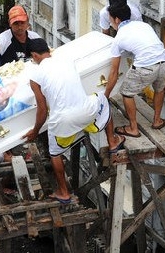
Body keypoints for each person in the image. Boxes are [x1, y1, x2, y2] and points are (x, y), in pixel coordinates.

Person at [24, 38, 110, 203]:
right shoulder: (66, 60)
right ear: (48, 50)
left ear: (34, 56)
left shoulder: (35, 76)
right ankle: (113, 142)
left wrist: (35, 132)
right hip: (86, 112)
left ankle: (64, 192)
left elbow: (42, 111)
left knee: (55, 153)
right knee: (103, 98)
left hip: (62, 121)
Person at [103, 4, 165, 152]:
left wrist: (105, 95)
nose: (110, 23)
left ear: (116, 19)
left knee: (127, 93)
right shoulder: (143, 25)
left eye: (110, 20)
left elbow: (114, 72)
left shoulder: (118, 38)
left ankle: (133, 128)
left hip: (146, 67)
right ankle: (157, 120)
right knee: (159, 88)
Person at [0, 5, 41, 70]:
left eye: (22, 23)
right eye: (16, 23)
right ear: (10, 23)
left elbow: (46, 53)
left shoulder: (34, 37)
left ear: (27, 20)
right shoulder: (4, 38)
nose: (20, 27)